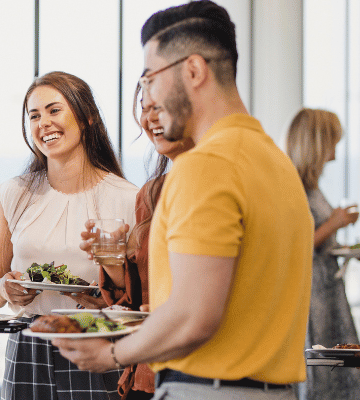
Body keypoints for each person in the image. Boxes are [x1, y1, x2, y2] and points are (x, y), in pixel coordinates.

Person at [51, 2, 313, 399]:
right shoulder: (276, 163)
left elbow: (195, 316)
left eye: (151, 79)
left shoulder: (205, 166)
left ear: (193, 70)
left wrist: (111, 354)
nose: (149, 99)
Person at [0, 70, 139, 400]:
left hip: (97, 340)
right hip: (28, 344)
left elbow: (136, 297)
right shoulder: (14, 194)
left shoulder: (127, 198)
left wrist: (109, 273)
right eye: (34, 116)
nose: (43, 123)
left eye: (54, 110)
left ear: (86, 116)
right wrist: (3, 288)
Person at [79, 85, 195, 400]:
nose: (149, 118)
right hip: (146, 375)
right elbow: (131, 301)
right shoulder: (151, 193)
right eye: (144, 108)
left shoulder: (218, 184)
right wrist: (113, 260)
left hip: (197, 374)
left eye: (159, 106)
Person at [285, 108, 360, 400]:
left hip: (327, 291)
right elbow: (294, 245)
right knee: (320, 374)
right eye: (333, 142)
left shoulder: (311, 187)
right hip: (312, 295)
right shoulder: (293, 187)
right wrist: (335, 223)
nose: (336, 152)